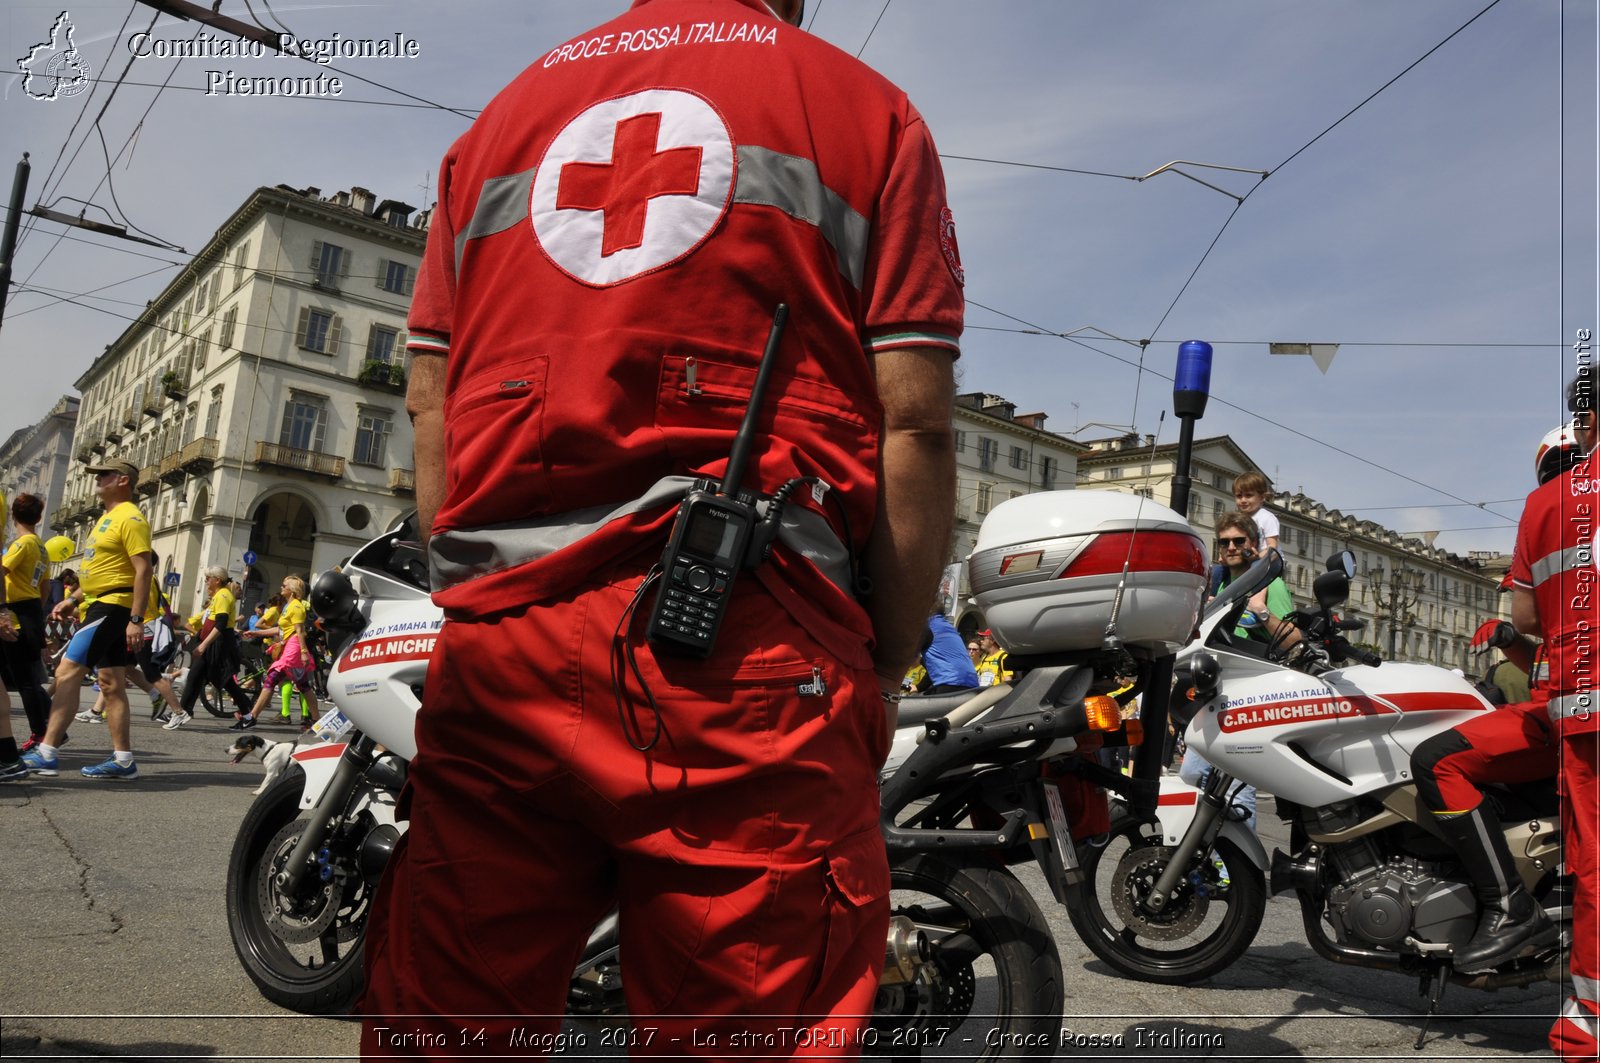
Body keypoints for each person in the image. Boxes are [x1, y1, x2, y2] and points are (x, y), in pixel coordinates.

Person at [357, 0, 963, 1054]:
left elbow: (430, 406)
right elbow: (913, 423)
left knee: (450, 1020)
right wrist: (892, 655)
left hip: (502, 640)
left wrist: (473, 583)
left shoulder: (498, 124)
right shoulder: (864, 111)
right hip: (744, 646)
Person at [1409, 417, 1589, 976]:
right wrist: (1516, 646)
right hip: (1564, 700)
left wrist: (1517, 635)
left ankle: (1508, 904)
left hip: (1566, 712)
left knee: (1434, 758)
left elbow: (1539, 625)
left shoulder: (1548, 510)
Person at [20, 461, 152, 780]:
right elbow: (100, 571)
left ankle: (47, 752)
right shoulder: (106, 518)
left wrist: (136, 618)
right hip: (97, 603)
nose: (97, 480)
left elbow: (143, 570)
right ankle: (123, 761)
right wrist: (72, 598)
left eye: (104, 475)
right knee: (111, 684)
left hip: (112, 605)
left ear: (122, 480)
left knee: (66, 671)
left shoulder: (131, 518)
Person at [1, 493, 53, 750]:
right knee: (27, 679)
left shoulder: (21, 545)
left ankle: (41, 733)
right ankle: (50, 730)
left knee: (25, 681)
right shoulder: (42, 547)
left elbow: (1, 571)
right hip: (31, 611)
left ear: (13, 516)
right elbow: (45, 589)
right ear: (39, 517)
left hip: (16, 612)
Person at [173, 566, 254, 726]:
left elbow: (221, 623)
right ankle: (183, 712)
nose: (205, 582)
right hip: (213, 642)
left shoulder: (223, 595)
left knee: (223, 680)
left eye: (208, 578)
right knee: (195, 676)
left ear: (217, 580)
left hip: (219, 643)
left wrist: (204, 645)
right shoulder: (218, 596)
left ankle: (248, 714)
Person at [239, 575, 318, 730]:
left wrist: (303, 652)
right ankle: (316, 720)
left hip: (294, 647)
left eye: (284, 585)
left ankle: (251, 717)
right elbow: (281, 629)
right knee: (303, 685)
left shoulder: (296, 607)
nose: (281, 587)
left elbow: (300, 630)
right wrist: (256, 633)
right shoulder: (289, 606)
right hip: (289, 646)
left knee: (272, 678)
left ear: (292, 590)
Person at [918, 612, 979, 694]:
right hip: (972, 684)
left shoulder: (927, 626)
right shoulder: (949, 627)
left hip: (950, 683)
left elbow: (907, 654)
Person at [1232, 470, 1280, 555]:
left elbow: (1272, 546)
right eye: (1239, 496)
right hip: (1249, 557)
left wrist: (1259, 558)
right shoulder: (1237, 519)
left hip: (1271, 560)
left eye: (1248, 495)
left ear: (1262, 497)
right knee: (1218, 568)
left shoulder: (1267, 518)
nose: (1243, 500)